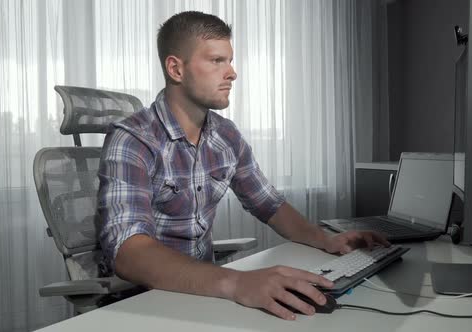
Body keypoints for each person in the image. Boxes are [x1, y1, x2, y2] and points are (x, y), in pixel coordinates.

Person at [98, 11, 389, 321]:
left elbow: (269, 204)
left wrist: (325, 239)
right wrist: (237, 282)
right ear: (176, 68)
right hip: (144, 303)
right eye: (216, 61)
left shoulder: (226, 135)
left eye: (230, 60)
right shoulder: (132, 139)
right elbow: (129, 253)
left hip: (203, 293)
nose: (232, 73)